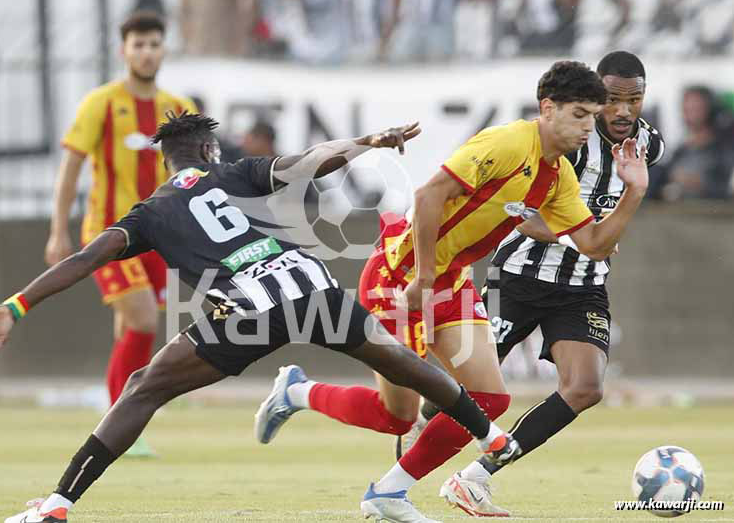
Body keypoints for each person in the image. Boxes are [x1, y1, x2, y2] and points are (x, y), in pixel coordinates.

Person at [0, 112, 521, 523]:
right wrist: (367, 142)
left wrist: (16, 305)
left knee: (143, 388)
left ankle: (57, 505)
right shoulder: (236, 173)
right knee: (398, 361)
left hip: (247, 311)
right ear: (208, 151)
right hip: (309, 285)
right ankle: (490, 434)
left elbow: (84, 259)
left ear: (166, 159)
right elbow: (307, 164)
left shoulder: (150, 213)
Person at [256, 60, 651, 523]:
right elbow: (428, 196)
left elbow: (593, 245)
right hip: (397, 275)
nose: (590, 126)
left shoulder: (558, 175)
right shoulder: (506, 143)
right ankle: (299, 392)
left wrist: (634, 193)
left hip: (450, 281)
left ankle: (388, 493)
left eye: (592, 115)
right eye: (580, 114)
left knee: (491, 398)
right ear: (548, 108)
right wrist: (423, 277)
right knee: (396, 416)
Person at [427, 50, 666, 517]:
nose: (622, 111)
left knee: (586, 386)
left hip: (583, 286)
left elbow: (609, 219)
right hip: (518, 278)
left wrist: (599, 236)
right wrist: (587, 238)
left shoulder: (648, 146)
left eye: (633, 100)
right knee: (461, 389)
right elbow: (519, 216)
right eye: (612, 99)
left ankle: (474, 479)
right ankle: (403, 459)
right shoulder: (565, 141)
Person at [44, 12, 198, 456]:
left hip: (160, 235)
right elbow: (71, 167)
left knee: (129, 329)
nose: (147, 52)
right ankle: (123, 421)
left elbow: (197, 172)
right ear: (123, 51)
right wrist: (59, 230)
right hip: (109, 235)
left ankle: (113, 417)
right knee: (144, 321)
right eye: (138, 45)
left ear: (163, 49)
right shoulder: (101, 103)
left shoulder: (178, 106)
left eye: (154, 44)